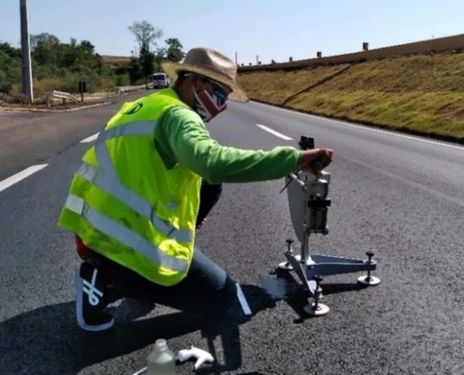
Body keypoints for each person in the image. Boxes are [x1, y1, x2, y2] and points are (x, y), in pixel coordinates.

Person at [57, 47, 333, 332]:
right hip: (127, 242)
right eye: (220, 92)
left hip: (94, 229)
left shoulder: (148, 105)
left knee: (210, 185)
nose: (222, 104)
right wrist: (294, 159)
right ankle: (107, 282)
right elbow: (211, 162)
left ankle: (118, 274)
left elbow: (204, 176)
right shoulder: (179, 117)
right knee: (223, 300)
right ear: (195, 81)